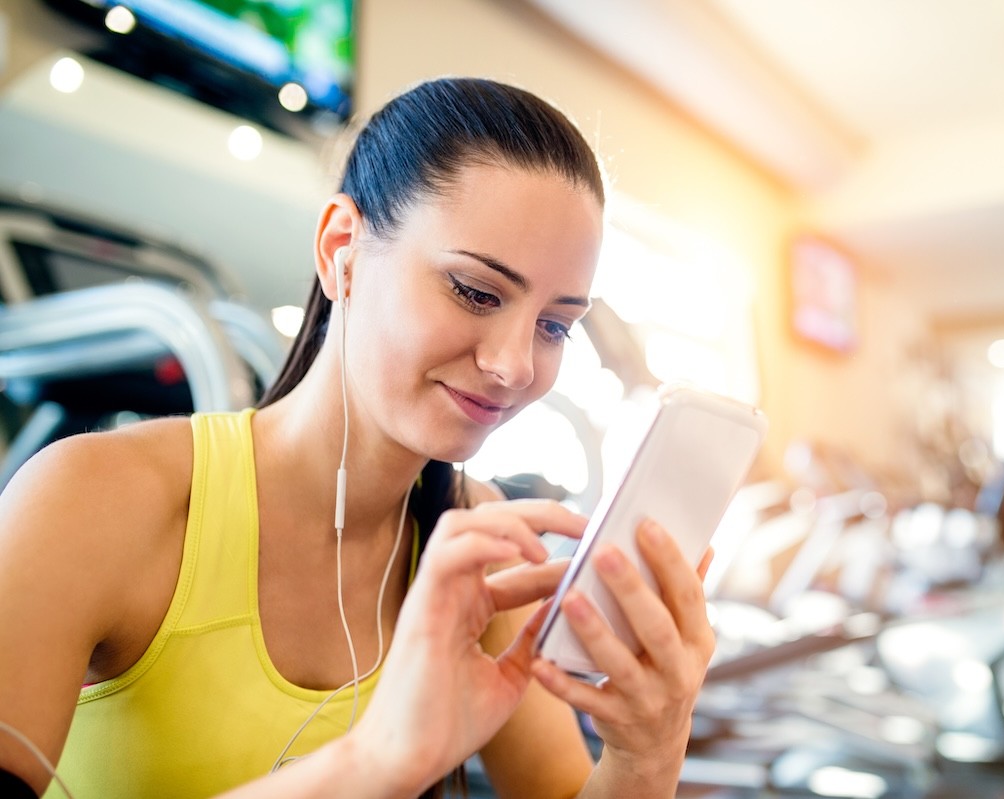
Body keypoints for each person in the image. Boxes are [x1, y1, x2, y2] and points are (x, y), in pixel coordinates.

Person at [0, 77, 716, 798]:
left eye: (555, 325)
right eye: (474, 290)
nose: (515, 364)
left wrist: (644, 754)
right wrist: (370, 762)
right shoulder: (90, 500)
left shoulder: (475, 544)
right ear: (342, 246)